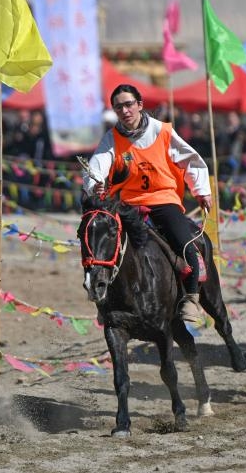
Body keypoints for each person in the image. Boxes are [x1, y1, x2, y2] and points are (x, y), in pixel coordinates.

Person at [82, 84, 213, 323]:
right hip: (126, 203)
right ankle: (106, 302)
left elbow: (191, 160)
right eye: (118, 106)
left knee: (186, 244)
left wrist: (201, 190)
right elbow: (95, 168)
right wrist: (95, 185)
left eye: (129, 104)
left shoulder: (162, 131)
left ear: (140, 105)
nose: (125, 110)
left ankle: (192, 298)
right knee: (101, 243)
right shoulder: (111, 139)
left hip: (163, 199)